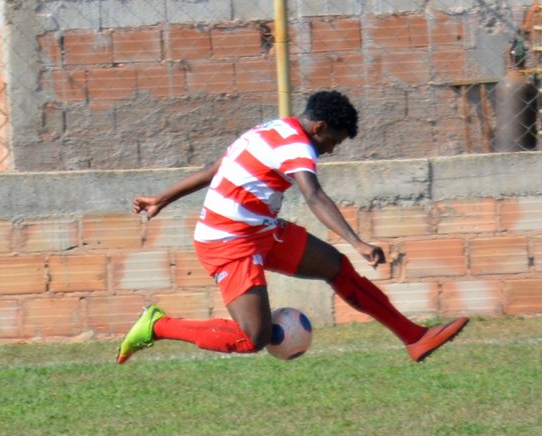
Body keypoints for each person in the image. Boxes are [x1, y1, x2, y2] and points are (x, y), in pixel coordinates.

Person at [116, 91, 468, 364]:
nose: (329, 151)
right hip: (227, 241)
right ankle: (157, 325)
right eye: (333, 142)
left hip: (261, 230)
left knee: (336, 268)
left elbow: (214, 169)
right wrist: (357, 241)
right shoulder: (299, 147)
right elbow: (313, 196)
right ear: (319, 129)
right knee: (253, 338)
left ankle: (414, 337)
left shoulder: (271, 128)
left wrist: (162, 198)